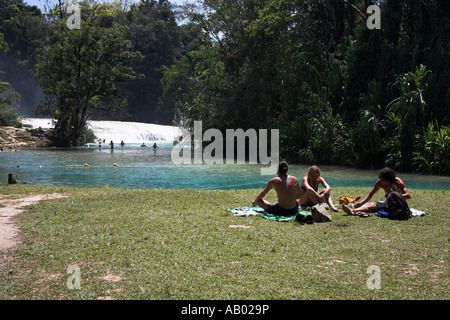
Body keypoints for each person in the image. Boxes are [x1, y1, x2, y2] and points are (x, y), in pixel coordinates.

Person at [342, 167, 411, 216]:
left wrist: (394, 196)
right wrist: (361, 203)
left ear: (389, 179)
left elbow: (408, 195)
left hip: (397, 204)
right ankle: (352, 211)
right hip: (387, 202)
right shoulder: (380, 183)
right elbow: (371, 194)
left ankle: (353, 211)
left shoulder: (398, 182)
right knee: (368, 205)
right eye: (381, 179)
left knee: (373, 206)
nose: (381, 181)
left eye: (383, 179)